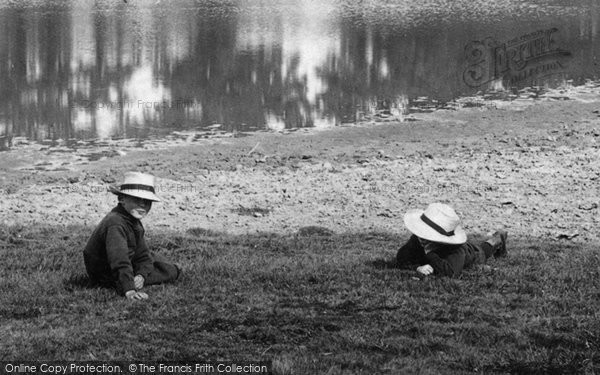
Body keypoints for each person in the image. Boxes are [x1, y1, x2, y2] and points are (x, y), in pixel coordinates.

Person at [83, 172, 181, 300]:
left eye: (147, 201)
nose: (142, 205)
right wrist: (129, 290)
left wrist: (141, 275)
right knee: (168, 270)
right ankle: (125, 281)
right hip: (105, 272)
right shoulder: (115, 223)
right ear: (122, 199)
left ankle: (149, 273)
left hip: (127, 260)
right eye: (136, 199)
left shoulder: (132, 220)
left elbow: (143, 254)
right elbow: (119, 259)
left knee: (158, 262)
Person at [396, 202, 507, 277]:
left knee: (483, 250)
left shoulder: (456, 249)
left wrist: (430, 253)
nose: (421, 238)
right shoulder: (420, 238)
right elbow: (402, 257)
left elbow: (451, 272)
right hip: (456, 252)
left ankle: (497, 238)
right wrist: (418, 268)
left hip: (472, 253)